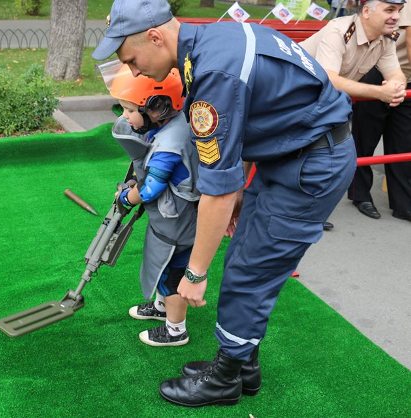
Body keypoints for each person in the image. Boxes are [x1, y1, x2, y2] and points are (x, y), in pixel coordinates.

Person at [93, 0, 356, 408]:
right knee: (246, 259)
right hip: (294, 152)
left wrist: (195, 273)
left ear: (155, 36)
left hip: (310, 163)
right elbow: (264, 111)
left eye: (131, 59)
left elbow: (215, 189)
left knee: (250, 269)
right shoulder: (214, 42)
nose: (134, 71)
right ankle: (242, 365)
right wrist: (238, 196)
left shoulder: (212, 71)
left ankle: (225, 379)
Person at [100, 61, 200, 346]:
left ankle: (175, 330)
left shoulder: (169, 145)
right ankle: (160, 309)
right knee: (161, 262)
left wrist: (125, 197)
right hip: (171, 219)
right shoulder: (173, 124)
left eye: (130, 110)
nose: (125, 116)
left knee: (173, 274)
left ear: (157, 107)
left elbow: (149, 191)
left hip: (177, 221)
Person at [301, 0, 407, 220]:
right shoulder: (339, 31)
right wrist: (380, 92)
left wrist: (395, 86)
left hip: (321, 101)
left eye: (399, 10)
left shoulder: (385, 38)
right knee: (298, 158)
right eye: (389, 10)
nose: (396, 17)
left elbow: (396, 73)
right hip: (294, 95)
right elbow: (330, 79)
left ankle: (311, 214)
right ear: (366, 11)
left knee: (324, 157)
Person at [347, 4, 411, 221]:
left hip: (404, 80)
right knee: (366, 137)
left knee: (403, 142)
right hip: (376, 70)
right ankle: (360, 194)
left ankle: (403, 204)